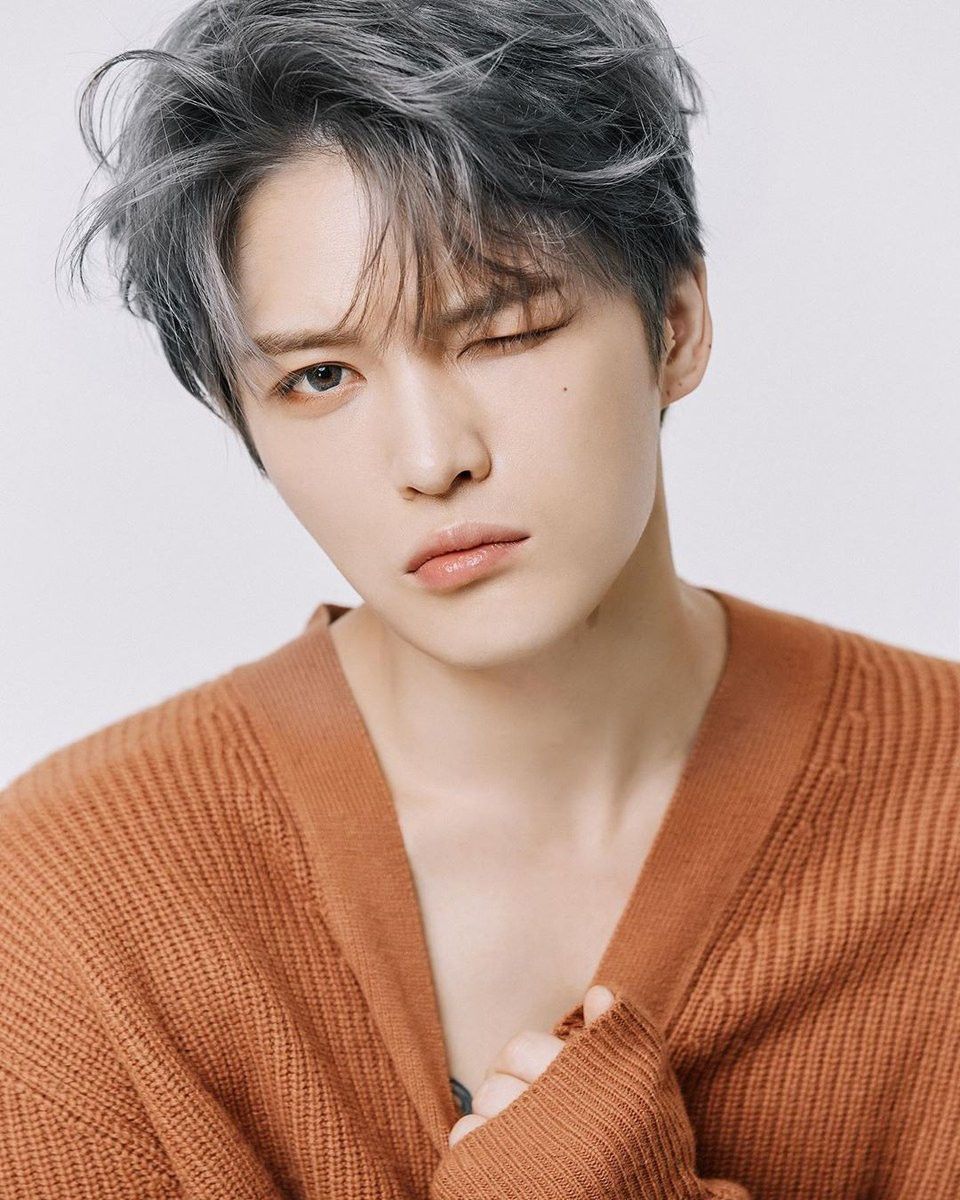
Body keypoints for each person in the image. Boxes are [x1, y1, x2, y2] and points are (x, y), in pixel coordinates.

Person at [1, 0, 958, 1196]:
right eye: (320, 377)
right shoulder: (74, 907)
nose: (429, 458)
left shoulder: (939, 807)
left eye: (501, 330)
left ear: (675, 324)